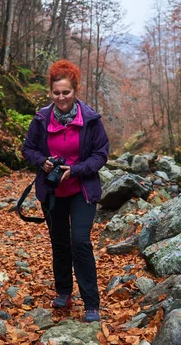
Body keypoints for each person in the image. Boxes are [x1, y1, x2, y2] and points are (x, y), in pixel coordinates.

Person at [21, 59, 109, 323]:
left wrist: (76, 169)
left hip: (82, 189)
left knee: (80, 242)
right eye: (56, 92)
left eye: (66, 92)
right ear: (51, 92)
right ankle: (64, 291)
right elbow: (28, 149)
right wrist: (42, 162)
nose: (61, 97)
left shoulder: (91, 119)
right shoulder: (41, 118)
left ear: (75, 91)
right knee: (59, 242)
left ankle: (91, 303)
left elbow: (101, 154)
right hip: (52, 192)